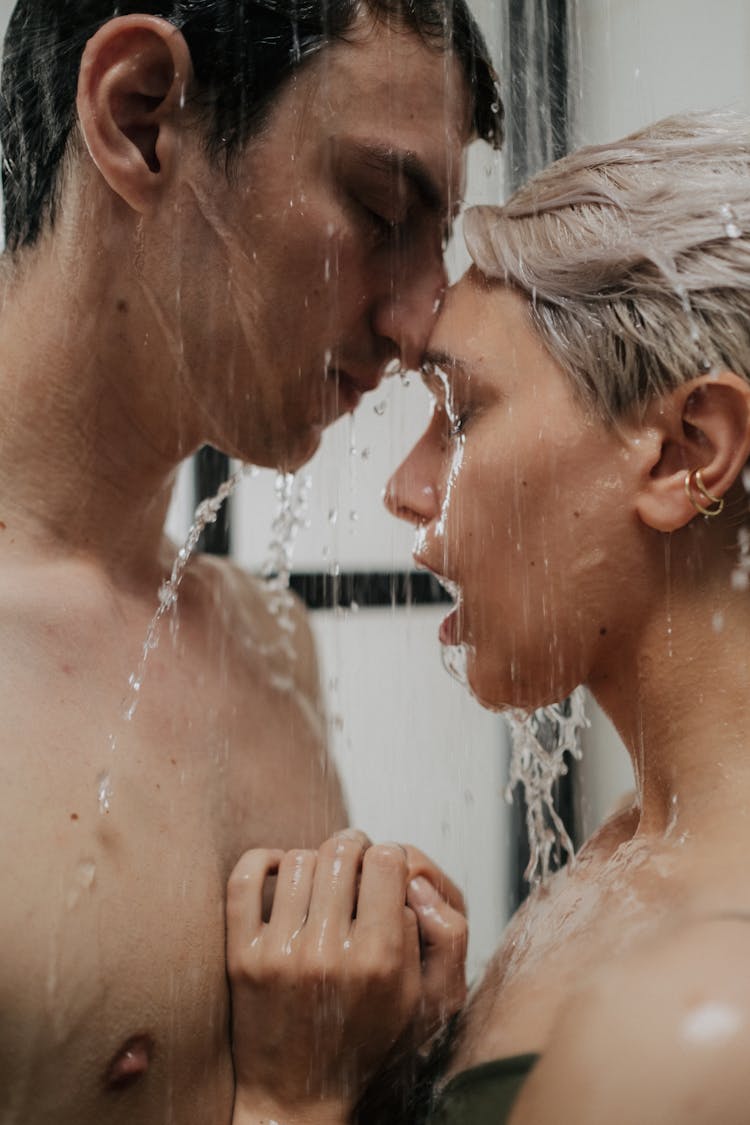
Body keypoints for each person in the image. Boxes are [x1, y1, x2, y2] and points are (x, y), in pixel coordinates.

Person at [0, 2, 502, 1122]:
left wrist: (391, 1063)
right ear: (140, 120)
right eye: (380, 209)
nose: (423, 320)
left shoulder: (267, 639)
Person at [227, 111, 750, 1124]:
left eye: (460, 414)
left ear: (691, 451)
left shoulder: (703, 1010)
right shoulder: (621, 863)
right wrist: (416, 1069)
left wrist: (293, 1104)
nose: (404, 487)